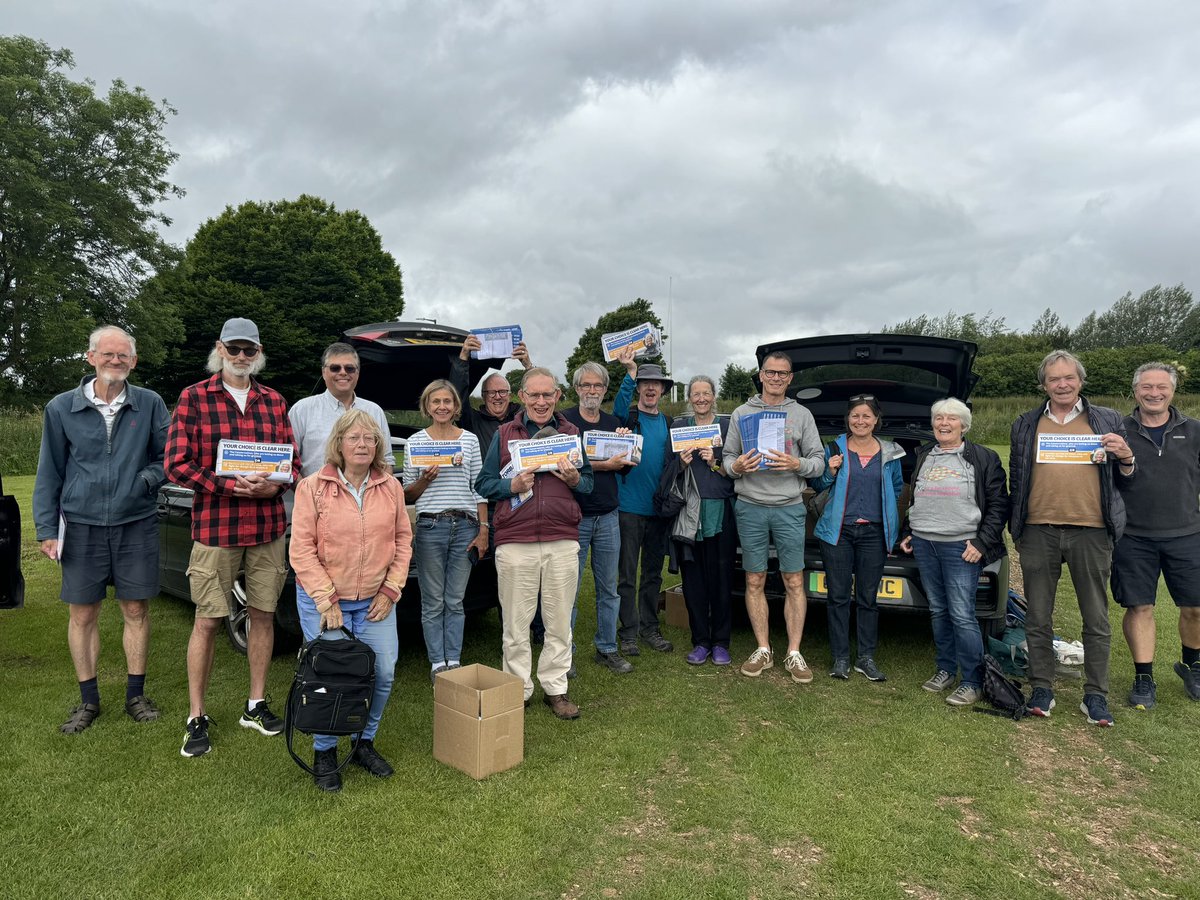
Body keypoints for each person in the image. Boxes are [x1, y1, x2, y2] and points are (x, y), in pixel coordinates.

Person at [166, 317, 299, 757]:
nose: (242, 357)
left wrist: (273, 486)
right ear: (220, 348)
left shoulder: (274, 401)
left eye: (250, 350)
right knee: (207, 620)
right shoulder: (194, 397)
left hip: (266, 529)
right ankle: (196, 715)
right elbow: (177, 464)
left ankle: (255, 704)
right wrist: (227, 485)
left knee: (263, 615)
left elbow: (291, 464)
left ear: (258, 353)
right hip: (216, 529)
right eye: (235, 349)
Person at [33, 326, 170, 733]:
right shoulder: (61, 408)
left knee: (135, 609)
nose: (116, 362)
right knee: (83, 613)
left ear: (134, 361)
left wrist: (144, 481)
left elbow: (169, 457)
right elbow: (49, 472)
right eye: (108, 355)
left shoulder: (149, 403)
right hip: (82, 525)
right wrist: (46, 529)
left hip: (136, 523)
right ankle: (88, 700)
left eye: (123, 356)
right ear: (91, 357)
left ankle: (135, 695)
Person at [1009, 350, 1134, 727]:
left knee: (1096, 618)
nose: (1062, 384)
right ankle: (1042, 688)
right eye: (1054, 379)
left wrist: (1126, 456)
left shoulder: (1108, 418)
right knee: (1037, 617)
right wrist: (1019, 525)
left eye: (1069, 378)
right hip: (1039, 530)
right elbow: (1018, 475)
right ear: (1043, 384)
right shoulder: (1026, 423)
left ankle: (1095, 696)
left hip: (1092, 532)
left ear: (1080, 381)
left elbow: (1128, 476)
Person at [290, 410, 412, 791]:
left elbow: (403, 541)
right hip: (325, 601)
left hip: (376, 600)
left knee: (384, 672)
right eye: (354, 438)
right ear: (339, 444)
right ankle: (325, 751)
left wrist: (392, 588)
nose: (362, 445)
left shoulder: (390, 486)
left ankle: (363, 742)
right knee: (331, 676)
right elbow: (301, 549)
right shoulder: (312, 487)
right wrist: (327, 600)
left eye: (370, 439)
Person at [476, 367, 594, 719]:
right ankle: (518, 690)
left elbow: (588, 485)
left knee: (559, 622)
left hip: (561, 539)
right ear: (522, 397)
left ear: (558, 396)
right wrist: (509, 487)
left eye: (548, 395)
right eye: (534, 395)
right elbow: (483, 483)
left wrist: (575, 478)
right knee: (516, 623)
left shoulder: (571, 433)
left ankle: (555, 689)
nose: (541, 402)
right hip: (515, 540)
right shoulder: (504, 433)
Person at [723, 352, 825, 682]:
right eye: (771, 372)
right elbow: (727, 458)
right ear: (761, 375)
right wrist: (735, 467)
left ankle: (794, 653)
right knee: (754, 579)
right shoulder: (742, 413)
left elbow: (819, 461)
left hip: (789, 507)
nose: (777, 378)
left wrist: (798, 465)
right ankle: (763, 648)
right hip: (750, 505)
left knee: (794, 580)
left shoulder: (802, 414)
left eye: (783, 374)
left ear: (791, 378)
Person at [899, 399, 1008, 706]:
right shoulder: (923, 455)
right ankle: (945, 669)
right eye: (938, 418)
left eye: (951, 419)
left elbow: (999, 505)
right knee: (938, 611)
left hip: (961, 546)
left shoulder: (982, 458)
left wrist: (982, 543)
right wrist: (910, 531)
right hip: (924, 542)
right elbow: (917, 497)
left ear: (964, 425)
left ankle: (972, 681)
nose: (944, 423)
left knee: (962, 615)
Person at [1113, 362, 1200, 708]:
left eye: (1161, 387)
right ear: (1135, 391)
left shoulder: (1194, 430)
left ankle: (1192, 665)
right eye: (1146, 387)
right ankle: (1143, 676)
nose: (1154, 393)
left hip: (1187, 533)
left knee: (1195, 607)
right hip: (1132, 536)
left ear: (1172, 391)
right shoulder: (1119, 429)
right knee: (1140, 606)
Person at [401, 381, 489, 682]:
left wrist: (484, 529)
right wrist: (425, 480)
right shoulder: (415, 442)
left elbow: (479, 489)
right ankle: (437, 662)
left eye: (447, 402)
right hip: (430, 527)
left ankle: (454, 658)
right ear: (427, 407)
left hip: (465, 526)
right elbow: (407, 495)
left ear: (455, 407)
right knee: (433, 600)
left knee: (455, 599)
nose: (441, 407)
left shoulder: (469, 441)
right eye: (435, 401)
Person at [813, 395, 904, 682]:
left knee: (868, 599)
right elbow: (817, 485)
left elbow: (897, 487)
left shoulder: (890, 452)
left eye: (866, 416)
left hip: (874, 534)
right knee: (838, 597)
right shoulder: (834, 448)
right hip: (838, 533)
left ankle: (866, 657)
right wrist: (830, 472)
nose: (860, 421)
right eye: (855, 416)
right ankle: (840, 658)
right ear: (848, 419)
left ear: (876, 420)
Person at [561, 362, 635, 674]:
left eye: (598, 386)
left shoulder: (614, 421)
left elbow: (628, 465)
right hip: (573, 515)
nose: (592, 391)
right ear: (577, 388)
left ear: (605, 390)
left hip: (608, 514)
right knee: (568, 591)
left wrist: (626, 444)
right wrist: (603, 464)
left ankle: (606, 648)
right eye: (586, 385)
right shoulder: (564, 420)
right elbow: (565, 464)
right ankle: (565, 655)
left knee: (609, 588)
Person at [611, 350, 675, 654]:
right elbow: (620, 402)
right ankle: (628, 632)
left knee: (652, 574)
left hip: (658, 511)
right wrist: (630, 371)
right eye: (645, 383)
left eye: (656, 384)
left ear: (662, 390)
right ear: (639, 388)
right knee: (626, 575)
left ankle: (650, 628)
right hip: (628, 509)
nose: (650, 388)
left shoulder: (670, 423)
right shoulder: (628, 418)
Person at [670, 375, 737, 666]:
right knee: (693, 581)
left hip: (719, 511)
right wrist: (680, 463)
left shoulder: (727, 426)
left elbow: (736, 470)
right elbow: (667, 469)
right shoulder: (678, 427)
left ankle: (721, 642)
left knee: (721, 579)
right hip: (688, 515)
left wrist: (715, 461)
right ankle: (700, 641)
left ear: (714, 396)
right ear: (689, 398)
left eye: (705, 393)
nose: (700, 398)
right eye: (695, 394)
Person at [288, 341, 394, 477]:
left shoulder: (374, 411)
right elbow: (288, 462)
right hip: (315, 496)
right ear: (323, 372)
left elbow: (386, 461)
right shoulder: (301, 410)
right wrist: (305, 493)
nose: (343, 373)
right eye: (335, 368)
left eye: (349, 368)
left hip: (365, 497)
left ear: (358, 373)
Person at [450, 333, 533, 453]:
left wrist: (528, 366)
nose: (498, 396)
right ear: (483, 396)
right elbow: (457, 398)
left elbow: (539, 398)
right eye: (492, 392)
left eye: (502, 392)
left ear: (509, 395)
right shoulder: (473, 422)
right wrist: (463, 357)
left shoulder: (524, 417)